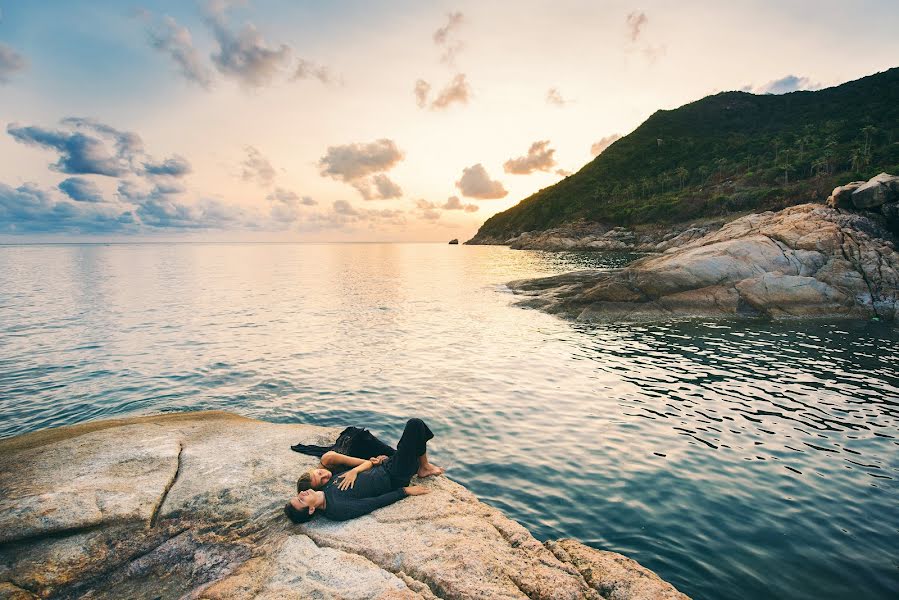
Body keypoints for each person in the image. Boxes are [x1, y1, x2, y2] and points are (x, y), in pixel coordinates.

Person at [284, 418, 444, 523]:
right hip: (394, 476)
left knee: (414, 434)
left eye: (298, 496)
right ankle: (424, 467)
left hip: (386, 465)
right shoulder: (337, 509)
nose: (301, 495)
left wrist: (360, 469)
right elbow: (373, 503)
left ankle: (423, 466)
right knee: (415, 425)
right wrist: (405, 491)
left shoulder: (326, 486)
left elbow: (363, 466)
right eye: (301, 501)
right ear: (311, 509)